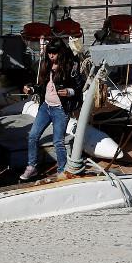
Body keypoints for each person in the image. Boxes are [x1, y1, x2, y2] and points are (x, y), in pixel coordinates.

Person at [20, 38, 85, 180]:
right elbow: (42, 86)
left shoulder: (71, 66)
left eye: (54, 53)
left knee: (58, 141)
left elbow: (79, 87)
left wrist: (69, 92)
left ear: (61, 53)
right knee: (32, 136)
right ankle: (32, 167)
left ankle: (62, 170)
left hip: (61, 109)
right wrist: (31, 88)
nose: (51, 56)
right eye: (49, 53)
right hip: (45, 107)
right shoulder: (45, 64)